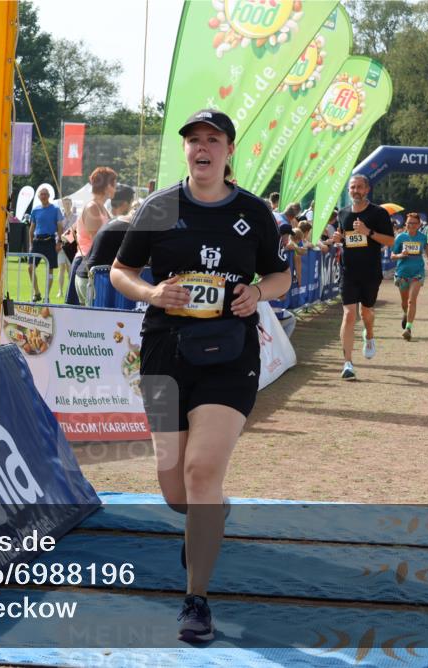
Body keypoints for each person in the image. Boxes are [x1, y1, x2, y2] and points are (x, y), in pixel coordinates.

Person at [110, 109, 290, 643]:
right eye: (194, 140)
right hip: (166, 350)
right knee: (176, 490)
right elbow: (121, 270)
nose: (202, 147)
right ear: (186, 150)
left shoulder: (254, 212)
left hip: (232, 351)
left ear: (230, 150)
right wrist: (151, 293)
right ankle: (209, 514)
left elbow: (281, 273)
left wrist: (259, 293)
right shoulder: (159, 206)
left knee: (202, 471)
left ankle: (196, 599)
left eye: (213, 139)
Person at [330, 174, 394, 380]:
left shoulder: (378, 213)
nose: (355, 190)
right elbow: (344, 237)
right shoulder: (343, 213)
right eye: (352, 187)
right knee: (349, 315)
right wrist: (338, 239)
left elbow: (391, 241)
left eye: (359, 187)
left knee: (366, 313)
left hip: (370, 272)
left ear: (367, 190)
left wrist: (368, 232)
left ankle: (370, 335)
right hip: (348, 272)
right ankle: (347, 363)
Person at [76, 185, 134, 303]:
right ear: (124, 204)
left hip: (85, 276)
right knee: (99, 320)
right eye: (132, 202)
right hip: (93, 279)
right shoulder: (125, 225)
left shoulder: (113, 221)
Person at [71, 166, 117, 304]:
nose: (116, 187)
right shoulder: (92, 207)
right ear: (106, 185)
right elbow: (98, 240)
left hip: (95, 266)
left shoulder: (102, 208)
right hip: (86, 265)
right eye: (114, 183)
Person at [391, 213, 428, 340]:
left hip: (417, 273)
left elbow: (425, 248)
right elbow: (392, 255)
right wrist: (400, 255)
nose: (412, 225)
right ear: (405, 224)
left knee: (411, 300)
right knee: (404, 302)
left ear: (419, 225)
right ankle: (405, 314)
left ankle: (408, 328)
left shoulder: (422, 237)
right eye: (409, 223)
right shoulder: (400, 237)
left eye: (414, 223)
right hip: (402, 273)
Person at [26, 187, 64, 302]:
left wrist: (59, 242)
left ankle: (47, 296)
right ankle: (36, 293)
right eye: (41, 194)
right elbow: (31, 229)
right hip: (37, 242)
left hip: (50, 241)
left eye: (45, 194)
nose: (43, 196)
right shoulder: (35, 210)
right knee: (30, 268)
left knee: (50, 270)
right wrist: (31, 244)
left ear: (49, 196)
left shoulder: (55, 209)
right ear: (38, 197)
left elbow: (60, 227)